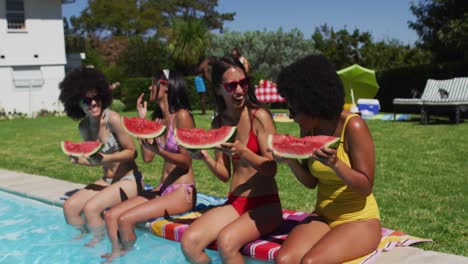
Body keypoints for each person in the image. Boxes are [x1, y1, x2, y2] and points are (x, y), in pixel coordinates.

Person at [273, 54, 381, 263]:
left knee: (311, 262)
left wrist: (336, 164)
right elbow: (312, 182)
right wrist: (291, 161)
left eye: (294, 110)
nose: (290, 116)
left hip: (359, 220)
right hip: (323, 215)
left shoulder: (353, 126)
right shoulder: (308, 130)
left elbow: (366, 186)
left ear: (312, 104)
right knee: (284, 260)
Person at [181, 56, 282, 264]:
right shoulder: (218, 122)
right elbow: (225, 174)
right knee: (189, 243)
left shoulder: (259, 116)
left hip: (266, 204)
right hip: (235, 203)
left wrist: (243, 152)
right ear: (218, 89)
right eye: (231, 85)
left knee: (226, 242)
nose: (239, 90)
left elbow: (271, 168)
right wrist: (205, 156)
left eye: (243, 83)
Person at [101, 69, 197, 261]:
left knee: (126, 220)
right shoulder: (158, 118)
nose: (150, 87)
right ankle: (117, 255)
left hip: (182, 191)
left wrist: (159, 150)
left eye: (153, 83)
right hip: (163, 188)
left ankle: (131, 259)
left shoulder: (182, 116)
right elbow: (147, 157)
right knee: (111, 216)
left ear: (165, 85)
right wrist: (143, 122)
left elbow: (186, 162)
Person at [59, 67, 143, 247]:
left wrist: (105, 158)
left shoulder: (112, 118)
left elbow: (132, 152)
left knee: (91, 208)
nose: (93, 103)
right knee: (70, 207)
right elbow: (95, 159)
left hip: (129, 180)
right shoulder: (84, 126)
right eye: (86, 100)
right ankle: (79, 242)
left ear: (102, 97)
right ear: (77, 104)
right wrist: (79, 160)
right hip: (107, 180)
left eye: (96, 98)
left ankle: (99, 245)